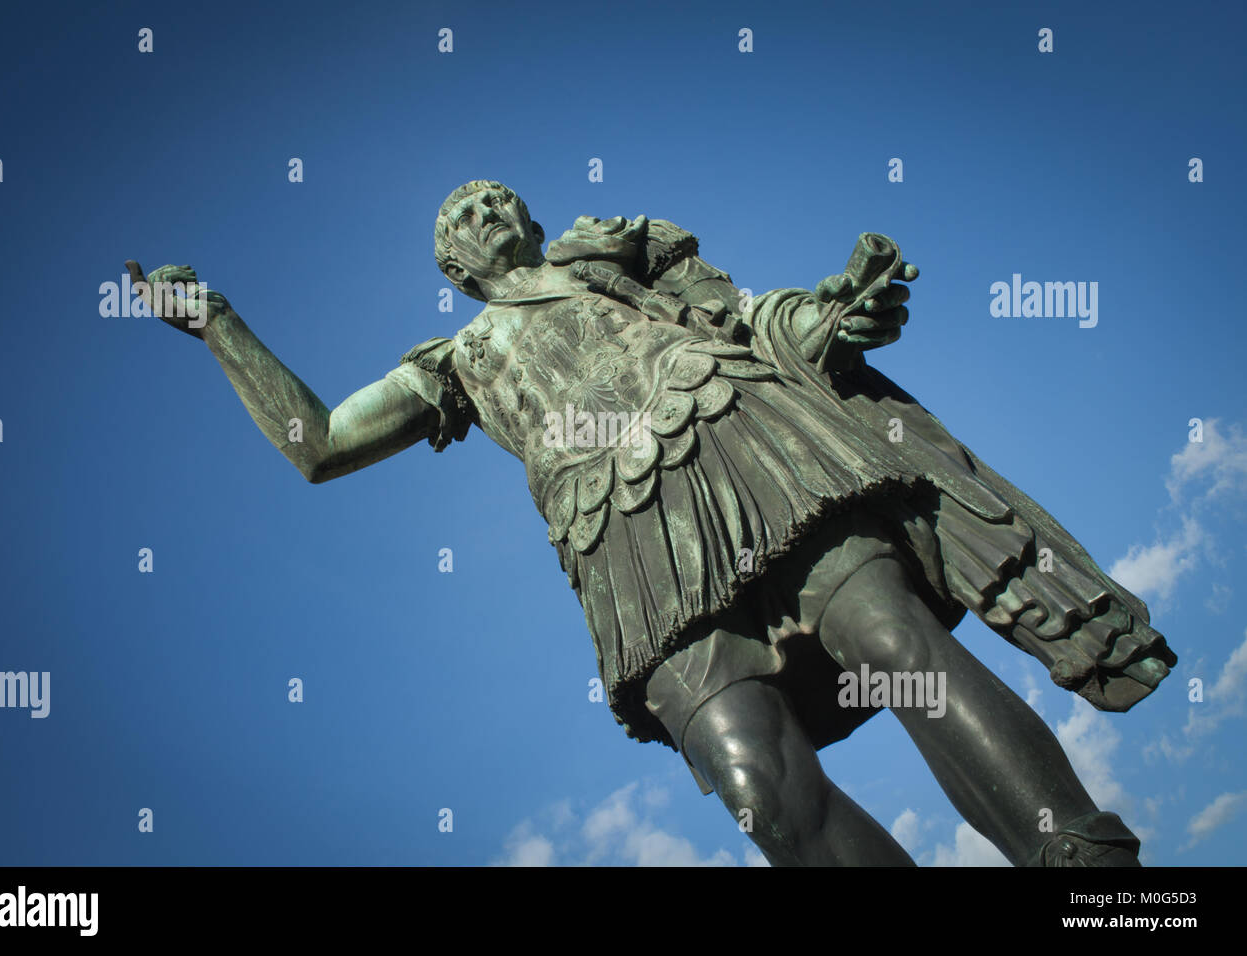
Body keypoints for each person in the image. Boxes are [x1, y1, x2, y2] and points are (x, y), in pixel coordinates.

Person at [126, 179, 1175, 866]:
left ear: (529, 220)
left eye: (497, 199)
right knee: (757, 785)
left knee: (894, 647)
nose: (484, 212)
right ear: (452, 268)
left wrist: (835, 313)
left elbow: (757, 320)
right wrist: (219, 322)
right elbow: (318, 441)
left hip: (749, 457)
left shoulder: (616, 264)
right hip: (629, 555)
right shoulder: (455, 363)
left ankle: (1084, 865)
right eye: (462, 215)